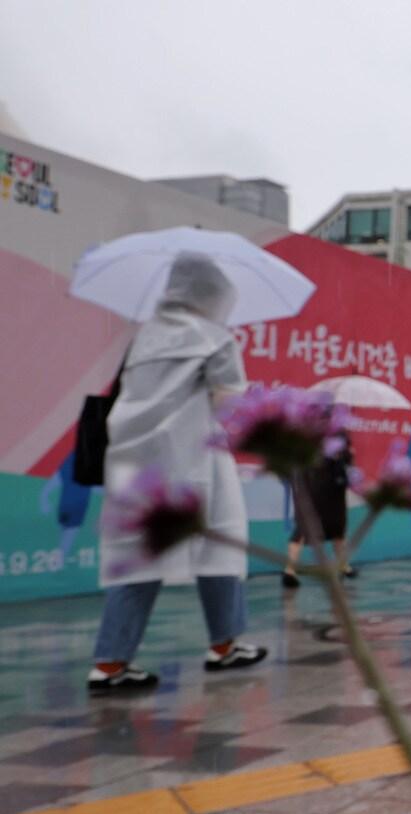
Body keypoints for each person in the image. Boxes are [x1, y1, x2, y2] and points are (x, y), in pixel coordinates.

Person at [90, 253, 267, 692]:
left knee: (138, 553)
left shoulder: (143, 338)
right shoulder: (213, 337)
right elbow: (229, 402)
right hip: (196, 458)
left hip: (134, 458)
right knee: (222, 543)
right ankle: (224, 645)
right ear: (214, 296)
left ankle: (110, 663)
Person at [282, 432, 353, 588]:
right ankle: (343, 567)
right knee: (332, 529)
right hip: (321, 486)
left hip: (319, 486)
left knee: (331, 529)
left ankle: (291, 570)